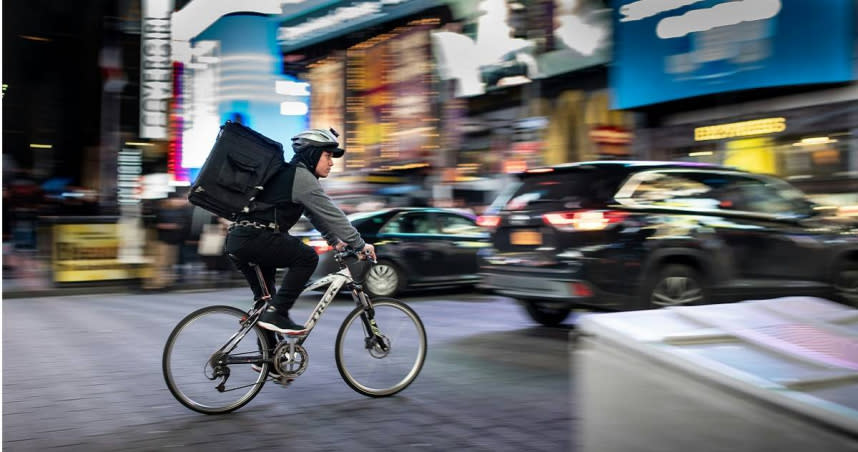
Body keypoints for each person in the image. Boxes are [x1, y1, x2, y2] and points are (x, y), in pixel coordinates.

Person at [224, 128, 376, 336]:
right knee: (307, 257)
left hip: (240, 239)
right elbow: (333, 214)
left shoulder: (290, 175)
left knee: (266, 302)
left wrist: (334, 241)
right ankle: (279, 312)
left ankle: (267, 362)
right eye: (328, 155)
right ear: (313, 153)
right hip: (257, 238)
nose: (331, 162)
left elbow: (314, 214)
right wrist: (359, 244)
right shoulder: (301, 177)